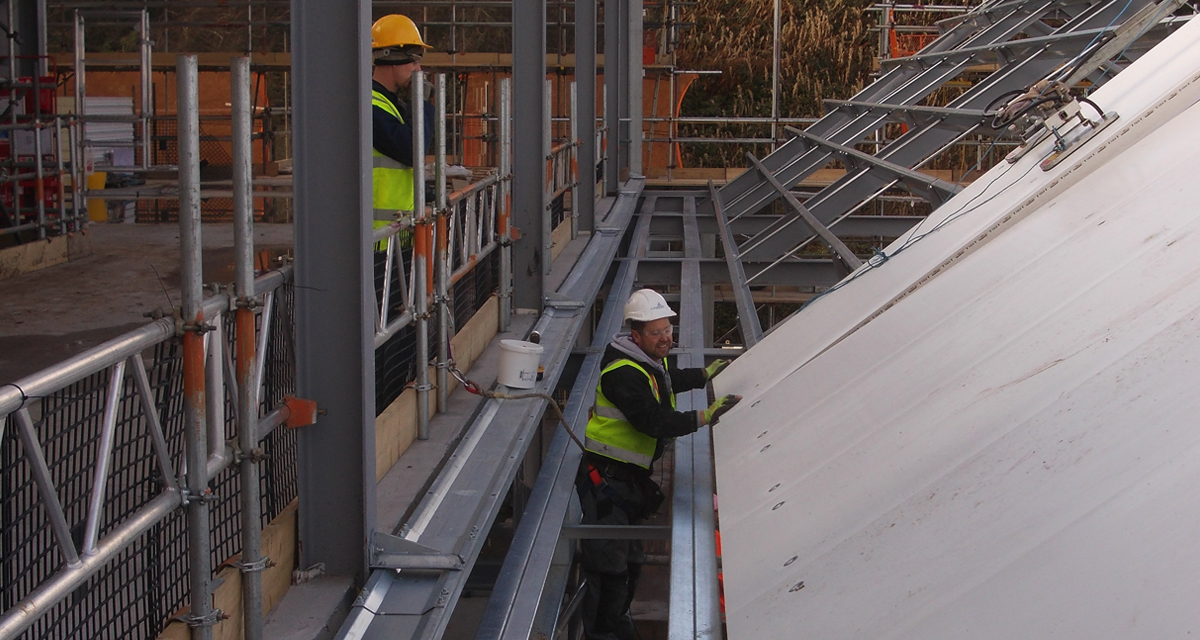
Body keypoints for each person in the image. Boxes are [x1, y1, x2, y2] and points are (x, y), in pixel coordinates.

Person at [576, 288, 741, 640]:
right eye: (657, 332)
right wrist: (702, 417)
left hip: (628, 480)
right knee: (608, 566)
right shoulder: (622, 373)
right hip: (606, 480)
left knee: (631, 561)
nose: (666, 339)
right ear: (636, 335)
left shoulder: (649, 360)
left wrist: (702, 375)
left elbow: (665, 383)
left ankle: (619, 623)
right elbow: (651, 419)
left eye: (668, 330)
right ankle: (603, 633)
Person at [370, 14, 434, 235]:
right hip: (378, 242)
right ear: (391, 57)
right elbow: (411, 151)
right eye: (414, 60)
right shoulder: (370, 107)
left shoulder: (392, 104)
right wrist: (422, 103)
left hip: (397, 236)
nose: (418, 70)